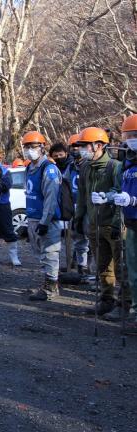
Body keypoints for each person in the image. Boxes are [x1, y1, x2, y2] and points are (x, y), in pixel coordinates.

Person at [73, 127, 126, 317]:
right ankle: (106, 300)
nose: (81, 150)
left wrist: (116, 223)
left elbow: (120, 194)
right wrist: (78, 218)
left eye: (85, 146)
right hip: (94, 224)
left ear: (99, 145)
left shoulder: (114, 166)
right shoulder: (85, 167)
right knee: (102, 266)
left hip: (113, 225)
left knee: (121, 267)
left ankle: (125, 304)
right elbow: (82, 195)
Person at [22, 132, 63, 301]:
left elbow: (51, 198)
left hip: (46, 219)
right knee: (40, 254)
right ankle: (47, 283)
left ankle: (51, 288)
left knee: (50, 253)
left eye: (33, 147)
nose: (29, 150)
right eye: (27, 147)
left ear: (42, 148)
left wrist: (45, 221)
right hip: (33, 217)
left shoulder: (49, 169)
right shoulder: (29, 168)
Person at [115, 115, 137, 331]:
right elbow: (123, 188)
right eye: (128, 136)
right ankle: (136, 312)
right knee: (133, 271)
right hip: (131, 223)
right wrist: (109, 196)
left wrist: (134, 200)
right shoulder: (128, 164)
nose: (130, 140)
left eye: (134, 136)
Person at [64, 133, 91, 275]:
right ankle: (82, 266)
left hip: (90, 208)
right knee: (78, 237)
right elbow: (65, 185)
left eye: (78, 146)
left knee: (90, 239)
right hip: (74, 208)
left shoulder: (90, 165)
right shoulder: (71, 167)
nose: (75, 149)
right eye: (72, 147)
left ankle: (91, 268)